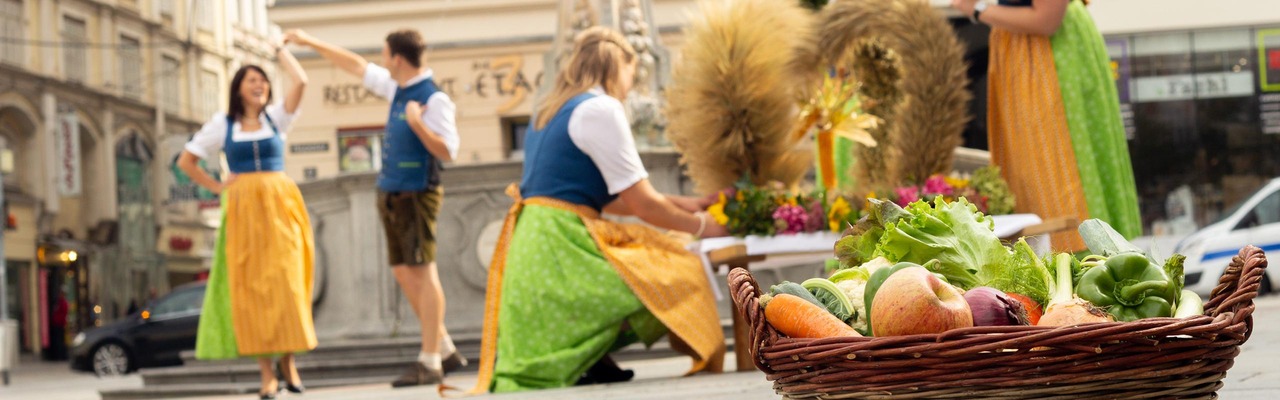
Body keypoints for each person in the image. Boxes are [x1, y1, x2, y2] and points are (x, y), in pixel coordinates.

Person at [469, 26, 730, 394]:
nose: (631, 85)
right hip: (563, 239)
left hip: (536, 236)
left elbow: (607, 196)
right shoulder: (602, 108)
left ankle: (590, 357)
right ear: (617, 65)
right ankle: (590, 355)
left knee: (644, 280)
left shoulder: (548, 110)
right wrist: (705, 225)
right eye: (631, 72)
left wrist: (686, 204)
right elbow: (641, 204)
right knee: (681, 270)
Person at [285, 28, 465, 387]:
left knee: (424, 272)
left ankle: (430, 359)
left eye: (384, 54)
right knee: (403, 271)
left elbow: (448, 151)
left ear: (397, 58)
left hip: (417, 192)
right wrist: (311, 43)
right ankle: (443, 347)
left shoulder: (434, 99)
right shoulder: (396, 87)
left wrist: (416, 124)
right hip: (392, 193)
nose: (381, 60)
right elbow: (354, 65)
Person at [181, 42, 314, 400]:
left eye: (264, 81)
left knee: (286, 285)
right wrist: (218, 186)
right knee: (251, 290)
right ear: (238, 86)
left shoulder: (278, 118)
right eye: (252, 80)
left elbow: (301, 80)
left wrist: (280, 52)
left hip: (280, 208)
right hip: (243, 213)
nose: (260, 86)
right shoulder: (223, 125)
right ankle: (267, 374)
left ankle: (289, 362)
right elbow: (186, 160)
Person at [950, 0, 1142, 250]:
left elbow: (1047, 20)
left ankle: (1082, 268)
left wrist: (977, 9)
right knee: (1038, 179)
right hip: (1025, 51)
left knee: (1057, 177)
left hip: (1045, 57)